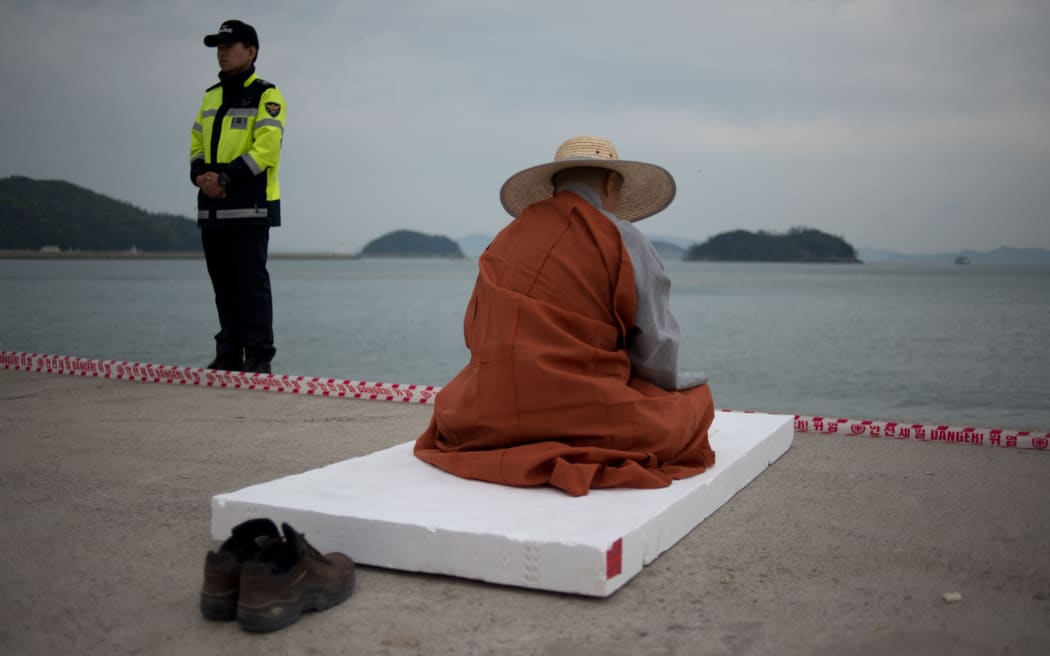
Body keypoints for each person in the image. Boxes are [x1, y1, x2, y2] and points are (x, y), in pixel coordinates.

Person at [414, 136, 716, 496]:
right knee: (697, 402)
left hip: (482, 417)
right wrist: (670, 387)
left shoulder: (504, 240)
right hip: (581, 410)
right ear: (610, 184)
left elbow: (475, 334)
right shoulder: (622, 238)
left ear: (553, 186)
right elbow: (656, 349)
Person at [190, 19, 286, 373]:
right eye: (219, 46)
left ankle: (259, 357)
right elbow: (196, 143)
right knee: (223, 286)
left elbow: (266, 151)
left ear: (251, 51)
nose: (222, 52)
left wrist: (225, 177)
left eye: (229, 46)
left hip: (250, 207)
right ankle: (228, 353)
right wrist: (200, 176)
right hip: (212, 209)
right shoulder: (210, 96)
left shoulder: (267, 96)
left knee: (252, 284)